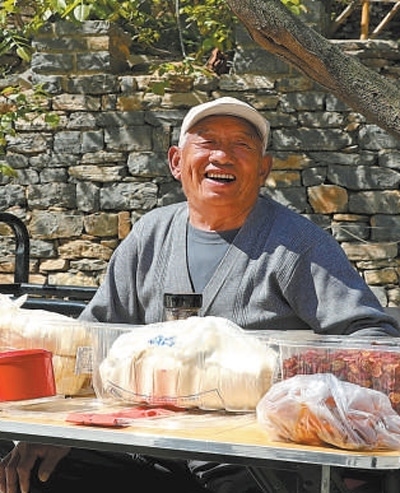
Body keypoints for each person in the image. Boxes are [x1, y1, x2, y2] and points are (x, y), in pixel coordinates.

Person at [0, 97, 398, 493]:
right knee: (33, 471)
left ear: (263, 168)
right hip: (144, 443)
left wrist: (301, 397)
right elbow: (91, 345)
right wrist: (55, 431)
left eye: (241, 145)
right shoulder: (149, 237)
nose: (222, 156)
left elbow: (372, 339)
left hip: (246, 454)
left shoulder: (297, 245)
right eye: (207, 142)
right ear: (176, 161)